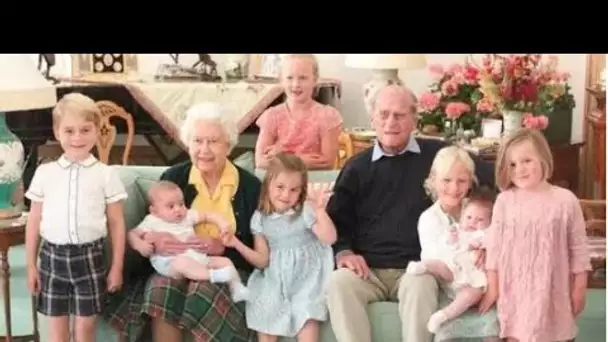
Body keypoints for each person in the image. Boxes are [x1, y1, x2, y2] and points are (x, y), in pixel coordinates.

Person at [325, 84, 496, 342]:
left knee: (421, 282)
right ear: (372, 118)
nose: (391, 122)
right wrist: (344, 251)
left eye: (399, 115)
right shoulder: (356, 168)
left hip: (416, 268)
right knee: (338, 283)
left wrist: (486, 239)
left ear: (414, 119)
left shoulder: (438, 155)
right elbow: (337, 220)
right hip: (367, 270)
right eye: (383, 114)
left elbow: (492, 181)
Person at [104, 102, 261, 342]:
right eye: (197, 141)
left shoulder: (250, 187)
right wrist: (155, 242)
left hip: (223, 267)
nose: (204, 149)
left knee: (203, 291)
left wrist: (225, 247)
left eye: (213, 141)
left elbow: (258, 249)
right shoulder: (174, 178)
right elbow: (147, 229)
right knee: (161, 289)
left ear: (228, 145)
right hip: (172, 265)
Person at [24, 92, 127, 342]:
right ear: (57, 131)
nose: (77, 137)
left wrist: (117, 267)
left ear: (97, 130)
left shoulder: (106, 174)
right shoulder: (45, 173)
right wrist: (30, 266)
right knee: (57, 334)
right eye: (69, 131)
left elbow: (116, 223)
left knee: (84, 332)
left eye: (85, 129)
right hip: (51, 260)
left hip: (90, 259)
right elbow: (34, 221)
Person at [478, 128, 591, 342]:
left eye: (527, 160)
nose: (520, 169)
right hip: (515, 290)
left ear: (543, 158)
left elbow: (579, 248)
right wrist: (493, 288)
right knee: (516, 333)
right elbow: (494, 249)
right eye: (512, 164)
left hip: (553, 289)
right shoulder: (505, 201)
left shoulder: (565, 200)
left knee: (555, 332)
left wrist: (580, 287)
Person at [222, 152, 336, 342]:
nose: (285, 195)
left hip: (307, 279)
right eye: (280, 187)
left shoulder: (305, 211)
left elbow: (329, 238)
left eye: (294, 190)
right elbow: (262, 260)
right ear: (268, 185)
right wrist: (236, 243)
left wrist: (319, 210)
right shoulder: (260, 218)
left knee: (307, 316)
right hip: (275, 278)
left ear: (301, 191)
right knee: (265, 310)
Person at [406, 147, 497, 338]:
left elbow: (496, 236)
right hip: (449, 285)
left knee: (495, 325)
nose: (454, 188)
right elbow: (440, 263)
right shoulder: (429, 218)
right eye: (446, 180)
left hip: (479, 284)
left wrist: (487, 251)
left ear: (470, 182)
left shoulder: (480, 210)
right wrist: (467, 251)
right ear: (433, 181)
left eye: (461, 181)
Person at [128, 180, 249, 302]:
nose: (178, 209)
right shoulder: (151, 220)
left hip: (196, 256)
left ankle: (237, 288)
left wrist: (222, 224)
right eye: (171, 206)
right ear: (154, 211)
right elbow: (132, 234)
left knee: (225, 261)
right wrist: (140, 244)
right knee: (182, 262)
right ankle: (213, 276)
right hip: (171, 263)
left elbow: (207, 215)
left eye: (181, 204)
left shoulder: (187, 216)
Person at [255, 54, 344, 170]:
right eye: (289, 78)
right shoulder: (272, 116)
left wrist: (281, 158)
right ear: (281, 80)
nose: (296, 84)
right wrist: (299, 161)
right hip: (281, 185)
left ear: (315, 80)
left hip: (315, 183)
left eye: (303, 78)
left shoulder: (327, 116)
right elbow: (260, 162)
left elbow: (326, 162)